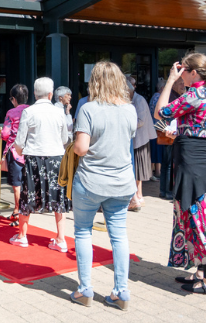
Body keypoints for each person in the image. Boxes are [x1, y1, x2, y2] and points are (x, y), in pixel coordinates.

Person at [155, 53, 206, 296]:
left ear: (193, 72)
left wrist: (169, 81)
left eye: (182, 70)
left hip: (193, 162)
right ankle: (200, 274)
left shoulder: (195, 95)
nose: (180, 74)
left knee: (199, 216)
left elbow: (161, 113)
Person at [70, 61, 137, 310]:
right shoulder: (129, 109)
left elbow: (81, 148)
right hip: (122, 181)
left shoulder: (89, 109)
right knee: (119, 235)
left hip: (91, 181)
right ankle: (121, 291)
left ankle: (85, 288)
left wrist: (74, 144)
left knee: (82, 231)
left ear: (94, 81)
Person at [10, 78, 71, 252]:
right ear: (51, 94)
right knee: (59, 197)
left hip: (34, 158)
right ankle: (60, 239)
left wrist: (20, 152)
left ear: (35, 94)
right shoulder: (59, 112)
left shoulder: (29, 112)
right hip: (56, 158)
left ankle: (22, 236)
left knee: (27, 195)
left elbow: (20, 141)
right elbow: (65, 139)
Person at [1, 84, 29, 225]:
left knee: (17, 184)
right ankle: (22, 211)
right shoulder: (32, 111)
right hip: (30, 151)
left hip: (15, 151)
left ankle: (17, 211)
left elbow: (5, 134)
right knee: (27, 183)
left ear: (13, 99)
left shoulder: (11, 113)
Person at [128, 75, 156, 211]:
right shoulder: (132, 99)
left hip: (140, 139)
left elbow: (141, 121)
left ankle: (139, 196)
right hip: (134, 139)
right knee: (136, 169)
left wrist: (125, 122)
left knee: (138, 169)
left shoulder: (139, 100)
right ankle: (138, 195)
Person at [159, 77, 184, 200]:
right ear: (173, 85)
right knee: (169, 164)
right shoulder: (173, 98)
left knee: (166, 163)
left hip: (168, 133)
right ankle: (168, 191)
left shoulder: (177, 96)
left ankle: (163, 190)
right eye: (180, 84)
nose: (183, 86)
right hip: (170, 133)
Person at [148, 79, 166, 179]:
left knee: (155, 151)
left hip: (154, 128)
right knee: (157, 151)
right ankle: (157, 172)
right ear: (162, 88)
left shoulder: (154, 97)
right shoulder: (158, 98)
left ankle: (154, 172)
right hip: (157, 128)